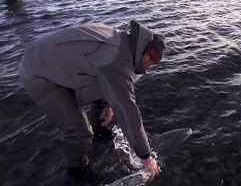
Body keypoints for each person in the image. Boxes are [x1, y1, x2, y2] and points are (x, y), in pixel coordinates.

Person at [19, 20, 165, 183]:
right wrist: (146, 157)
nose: (148, 68)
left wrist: (106, 104)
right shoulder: (117, 59)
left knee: (107, 103)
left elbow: (102, 74)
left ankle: (99, 130)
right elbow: (127, 110)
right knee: (78, 130)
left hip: (57, 63)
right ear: (146, 54)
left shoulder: (121, 42)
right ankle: (78, 171)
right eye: (152, 63)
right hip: (37, 72)